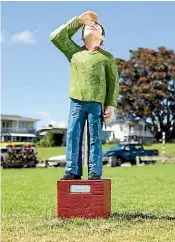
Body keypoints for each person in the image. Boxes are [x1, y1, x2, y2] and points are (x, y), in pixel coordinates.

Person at [50, 11, 120, 180]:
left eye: (97, 27)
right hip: (76, 102)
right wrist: (78, 21)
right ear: (81, 36)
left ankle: (95, 171)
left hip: (96, 104)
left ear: (102, 37)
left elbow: (113, 83)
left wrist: (110, 105)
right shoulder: (74, 52)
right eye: (88, 26)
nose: (92, 26)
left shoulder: (107, 58)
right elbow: (55, 37)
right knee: (73, 135)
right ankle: (72, 170)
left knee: (95, 137)